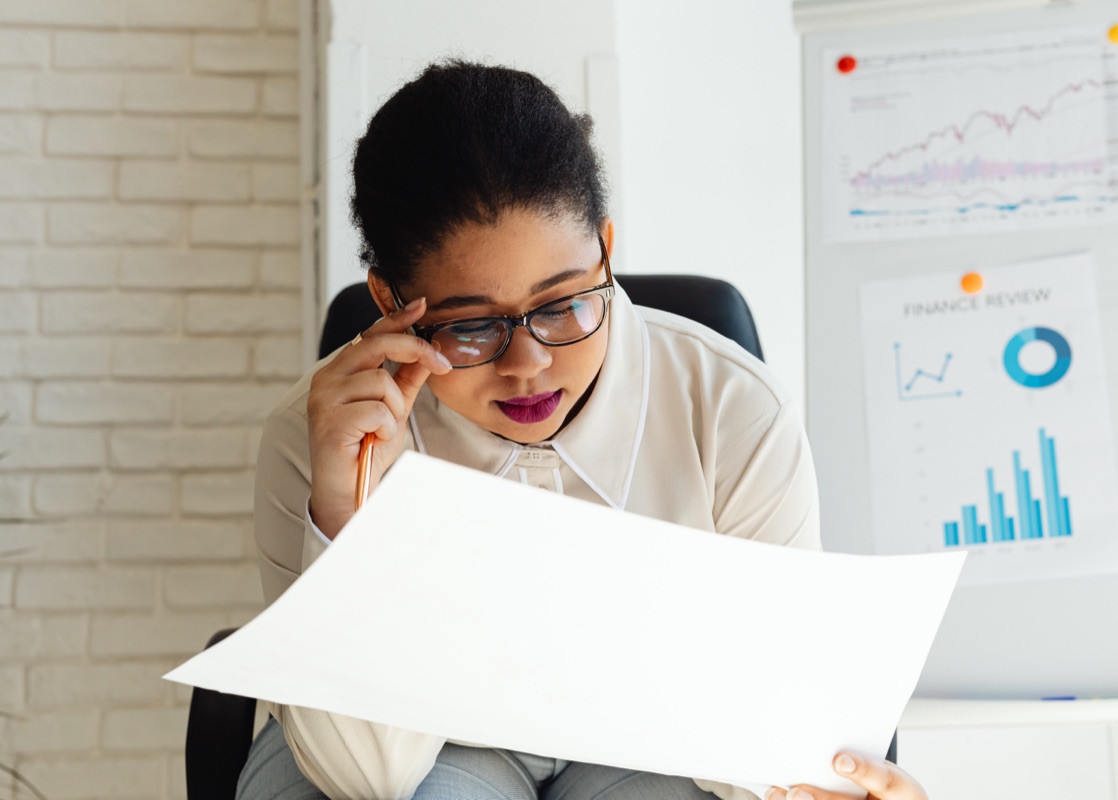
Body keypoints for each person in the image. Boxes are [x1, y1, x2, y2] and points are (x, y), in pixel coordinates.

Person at [240, 60, 928, 800]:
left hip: (658, 749)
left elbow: (769, 731)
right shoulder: (321, 440)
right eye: (471, 326)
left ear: (605, 249)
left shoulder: (732, 408)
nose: (530, 364)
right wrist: (350, 517)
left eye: (563, 303)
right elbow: (364, 778)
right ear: (389, 300)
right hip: (437, 746)